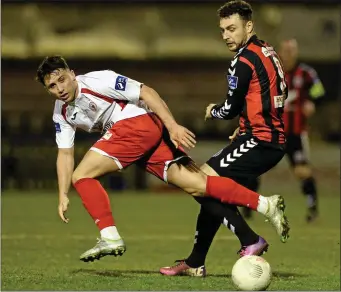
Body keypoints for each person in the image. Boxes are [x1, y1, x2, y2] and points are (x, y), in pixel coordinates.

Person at [36, 55, 289, 263]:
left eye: (62, 80)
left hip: (137, 126)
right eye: (52, 86)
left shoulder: (98, 80)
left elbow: (147, 92)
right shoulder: (62, 112)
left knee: (82, 175)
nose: (60, 89)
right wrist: (62, 194)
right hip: (141, 136)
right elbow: (65, 153)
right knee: (197, 184)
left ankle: (109, 235)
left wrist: (173, 126)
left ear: (71, 73)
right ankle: (265, 204)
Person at [160, 0, 289, 277]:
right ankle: (196, 262)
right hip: (265, 137)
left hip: (261, 140)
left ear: (249, 26)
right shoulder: (266, 51)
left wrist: (213, 111)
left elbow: (228, 108)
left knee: (200, 182)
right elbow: (271, 94)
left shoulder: (242, 61)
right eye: (222, 30)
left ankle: (250, 238)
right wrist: (245, 124)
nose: (226, 36)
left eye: (232, 28)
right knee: (210, 189)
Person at [242, 39, 325, 222]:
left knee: (302, 171)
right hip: (270, 132)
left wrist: (312, 101)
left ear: (296, 53)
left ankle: (312, 208)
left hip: (295, 133)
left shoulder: (306, 73)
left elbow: (320, 90)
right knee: (255, 167)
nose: (288, 54)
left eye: (291, 51)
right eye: (285, 51)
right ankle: (248, 207)